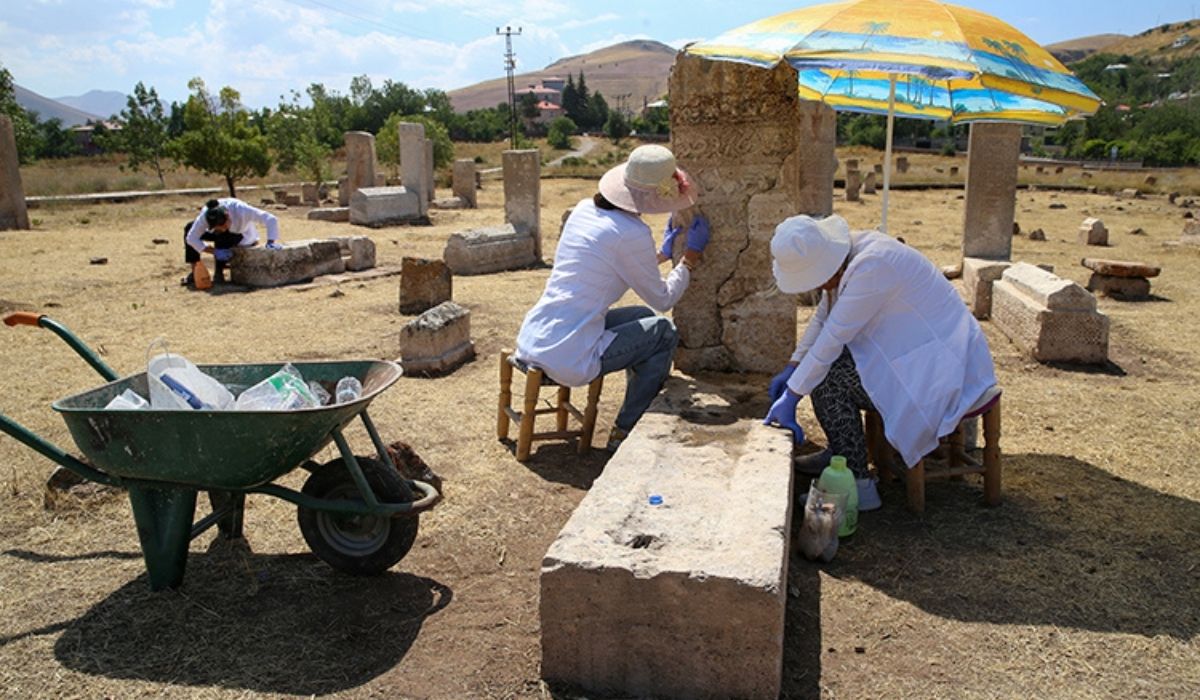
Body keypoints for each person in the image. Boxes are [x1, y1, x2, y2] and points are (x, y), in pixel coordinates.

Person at [762, 214, 997, 510]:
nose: (821, 287)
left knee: (828, 379)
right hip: (917, 351)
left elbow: (832, 338)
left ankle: (858, 485)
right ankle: (842, 452)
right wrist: (794, 366)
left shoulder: (872, 265)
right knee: (825, 369)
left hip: (939, 369)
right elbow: (824, 316)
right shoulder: (848, 255)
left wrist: (793, 395)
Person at [513, 144, 710, 451]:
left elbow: (605, 262)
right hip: (568, 353)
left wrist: (660, 253)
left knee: (641, 318)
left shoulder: (584, 210)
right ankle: (627, 427)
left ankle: (635, 404)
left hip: (541, 331)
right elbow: (663, 299)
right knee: (663, 332)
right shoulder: (631, 233)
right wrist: (689, 260)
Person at [182, 198, 282, 286]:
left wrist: (271, 241)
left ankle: (219, 272)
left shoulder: (241, 210)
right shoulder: (205, 216)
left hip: (241, 234)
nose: (221, 229)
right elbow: (191, 238)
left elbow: (270, 219)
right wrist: (214, 251)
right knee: (189, 228)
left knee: (223, 236)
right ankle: (196, 270)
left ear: (228, 217)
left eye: (223, 226)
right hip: (221, 235)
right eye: (217, 228)